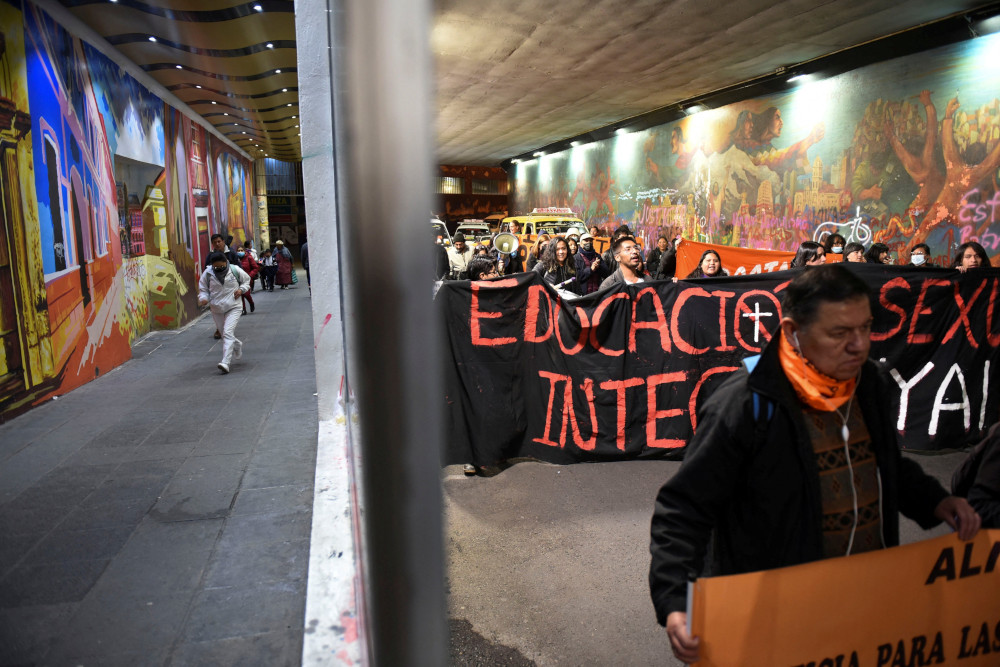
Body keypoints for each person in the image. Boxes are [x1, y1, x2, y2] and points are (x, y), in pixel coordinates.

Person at [649, 264, 981, 664]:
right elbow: (684, 509)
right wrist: (675, 601)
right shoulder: (744, 404)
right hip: (775, 619)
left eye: (865, 328)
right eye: (840, 333)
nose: (859, 345)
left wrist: (935, 501)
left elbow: (882, 463)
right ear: (793, 332)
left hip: (862, 607)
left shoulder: (869, 383)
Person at [198, 251, 251, 374]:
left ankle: (225, 362)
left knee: (227, 333)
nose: (219, 269)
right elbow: (203, 289)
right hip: (216, 308)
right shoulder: (208, 273)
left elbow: (246, 281)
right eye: (216, 267)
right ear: (212, 265)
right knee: (224, 334)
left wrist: (241, 289)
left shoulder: (235, 270)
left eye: (221, 266)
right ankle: (237, 345)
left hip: (234, 306)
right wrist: (204, 299)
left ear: (226, 262)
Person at [237, 247, 259, 314]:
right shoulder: (236, 259)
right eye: (238, 250)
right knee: (241, 294)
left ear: (244, 251)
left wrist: (250, 275)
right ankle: (243, 309)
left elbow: (255, 268)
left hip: (247, 278)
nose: (240, 252)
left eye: (241, 250)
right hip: (238, 279)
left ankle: (251, 303)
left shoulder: (249, 257)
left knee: (246, 293)